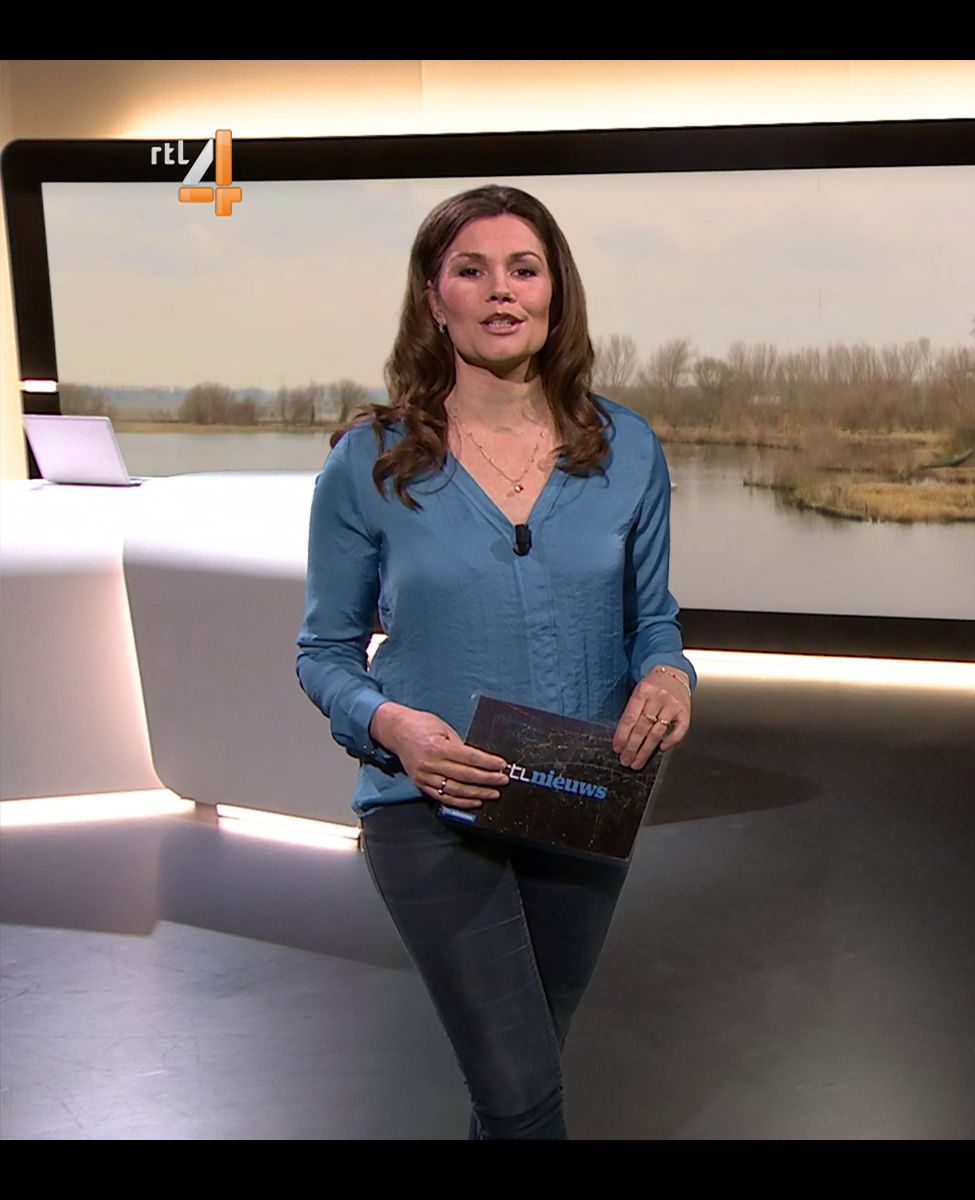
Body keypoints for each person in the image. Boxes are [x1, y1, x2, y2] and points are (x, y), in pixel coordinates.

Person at [296, 184, 696, 1139]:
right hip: (431, 803)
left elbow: (654, 621)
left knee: (522, 1081)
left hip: (581, 793)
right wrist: (392, 726)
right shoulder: (368, 462)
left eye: (524, 268)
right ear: (434, 299)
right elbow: (325, 653)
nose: (501, 290)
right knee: (521, 1096)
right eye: (471, 271)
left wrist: (671, 673)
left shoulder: (627, 449)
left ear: (556, 292)